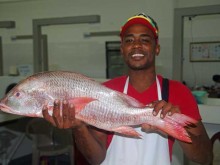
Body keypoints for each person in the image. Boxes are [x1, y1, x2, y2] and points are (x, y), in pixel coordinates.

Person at [42, 13, 213, 165]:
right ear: (122, 49)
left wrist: (173, 127)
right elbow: (96, 159)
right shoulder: (104, 91)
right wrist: (79, 128)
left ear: (157, 48)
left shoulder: (178, 92)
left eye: (145, 40)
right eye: (129, 40)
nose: (136, 45)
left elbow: (205, 158)